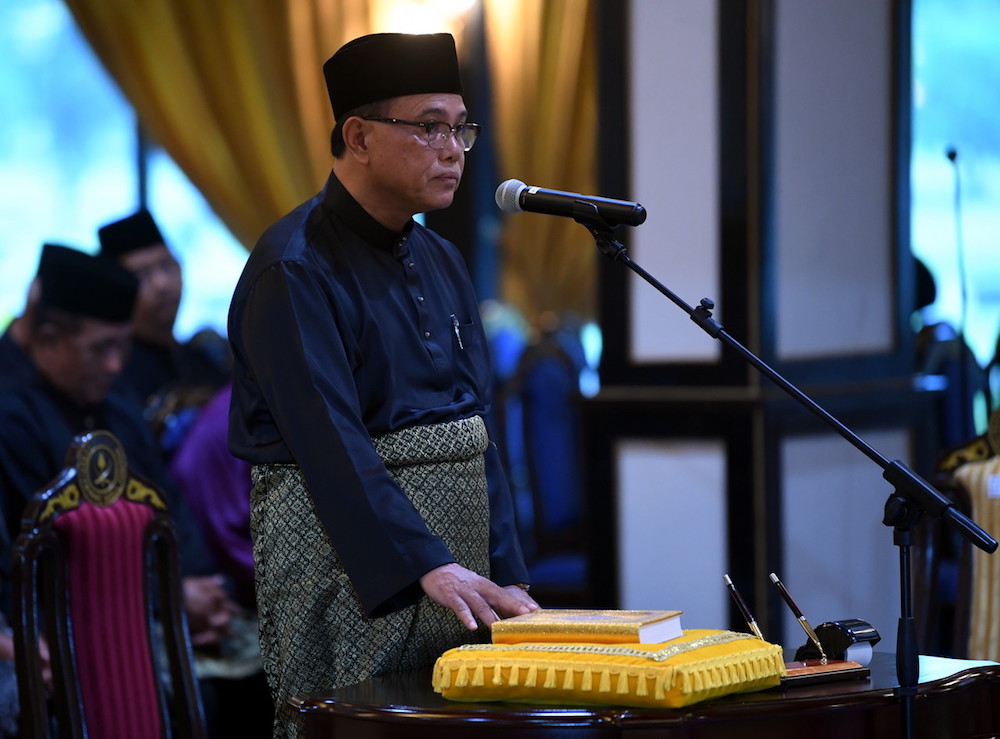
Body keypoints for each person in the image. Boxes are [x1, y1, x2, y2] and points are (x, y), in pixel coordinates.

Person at [227, 32, 538, 737]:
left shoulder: (443, 258)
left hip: (458, 572)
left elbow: (477, 426)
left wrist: (507, 568)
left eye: (461, 128)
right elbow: (329, 441)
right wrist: (426, 564)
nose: (453, 149)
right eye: (429, 127)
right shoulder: (293, 268)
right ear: (358, 137)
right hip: (351, 567)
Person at [0, 244, 239, 731]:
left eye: (122, 348)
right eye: (100, 349)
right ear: (48, 339)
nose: (114, 366)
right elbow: (48, 553)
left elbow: (170, 507)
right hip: (76, 622)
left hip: (162, 610)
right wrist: (170, 595)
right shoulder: (13, 420)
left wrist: (204, 586)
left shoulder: (119, 408)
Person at [98, 210, 231, 456]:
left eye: (167, 266)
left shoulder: (204, 358)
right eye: (142, 275)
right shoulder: (112, 375)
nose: (162, 284)